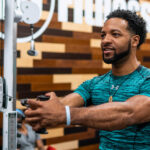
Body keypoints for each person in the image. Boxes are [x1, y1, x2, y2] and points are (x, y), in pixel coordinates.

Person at [24, 9, 150, 149]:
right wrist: (42, 110)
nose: (105, 41)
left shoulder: (147, 80)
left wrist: (65, 114)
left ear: (135, 41)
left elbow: (128, 113)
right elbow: (64, 105)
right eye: (103, 35)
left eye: (115, 34)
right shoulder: (95, 84)